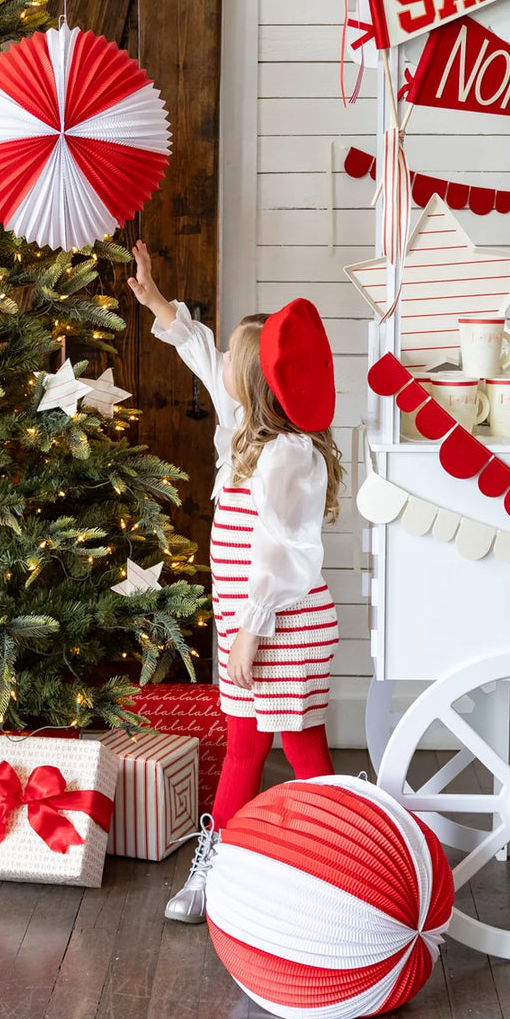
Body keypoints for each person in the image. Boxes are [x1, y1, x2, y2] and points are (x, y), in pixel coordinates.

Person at [128, 241, 344, 923]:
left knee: (302, 746)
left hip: (280, 623)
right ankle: (215, 869)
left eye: (230, 359)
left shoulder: (286, 455)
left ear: (251, 383)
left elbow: (280, 553)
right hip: (247, 623)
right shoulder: (244, 430)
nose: (217, 361)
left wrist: (250, 632)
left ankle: (352, 860)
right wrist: (161, 303)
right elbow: (199, 353)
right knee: (246, 743)